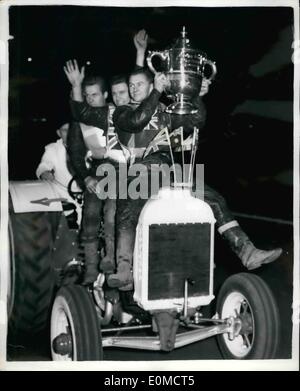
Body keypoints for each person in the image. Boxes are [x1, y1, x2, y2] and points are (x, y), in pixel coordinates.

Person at [108, 67, 282, 290]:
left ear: (151, 84)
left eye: (139, 84)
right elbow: (137, 121)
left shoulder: (164, 110)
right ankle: (124, 268)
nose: (133, 89)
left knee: (214, 198)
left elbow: (195, 122)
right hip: (141, 173)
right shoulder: (121, 112)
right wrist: (156, 92)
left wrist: (197, 96)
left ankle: (247, 251)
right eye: (131, 85)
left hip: (168, 171)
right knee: (127, 203)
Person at [36, 122, 82, 225]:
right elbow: (44, 165)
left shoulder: (89, 146)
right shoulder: (52, 149)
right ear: (59, 133)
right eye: (65, 130)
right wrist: (44, 172)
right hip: (62, 194)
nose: (70, 133)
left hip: (87, 195)